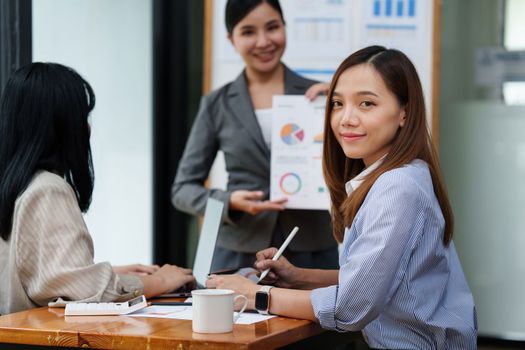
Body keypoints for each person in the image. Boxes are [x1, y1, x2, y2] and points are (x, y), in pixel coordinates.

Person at [206, 46, 478, 349]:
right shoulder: (403, 174)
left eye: (366, 104)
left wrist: (253, 294)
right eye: (337, 103)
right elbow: (371, 283)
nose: (346, 119)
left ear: (405, 112)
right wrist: (298, 277)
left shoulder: (396, 187)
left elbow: (350, 307)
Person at [0, 62, 195, 315]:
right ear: (61, 125)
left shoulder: (14, 184)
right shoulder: (47, 189)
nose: (87, 128)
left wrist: (112, 273)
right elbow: (78, 291)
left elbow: (37, 274)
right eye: (82, 116)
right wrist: (159, 282)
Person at [172, 0, 338, 271]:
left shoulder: (321, 96)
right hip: (236, 249)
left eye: (272, 27)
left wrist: (341, 101)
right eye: (248, 32)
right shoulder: (217, 104)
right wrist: (229, 202)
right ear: (231, 39)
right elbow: (182, 190)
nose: (263, 41)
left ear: (285, 27)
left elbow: (354, 168)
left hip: (311, 248)